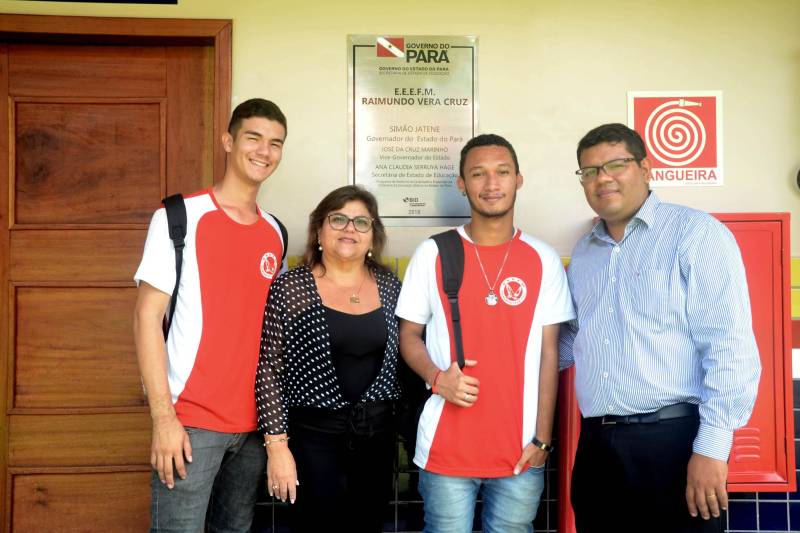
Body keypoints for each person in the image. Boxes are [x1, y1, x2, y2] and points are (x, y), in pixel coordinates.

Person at [559, 123, 761, 533]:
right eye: (590, 171)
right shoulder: (584, 253)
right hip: (597, 448)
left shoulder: (695, 234)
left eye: (616, 164)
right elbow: (570, 340)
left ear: (646, 168)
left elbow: (729, 346)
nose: (603, 178)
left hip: (674, 441)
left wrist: (711, 449)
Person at [396, 134, 575, 533]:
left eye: (502, 172)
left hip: (521, 452)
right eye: (478, 174)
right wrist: (437, 378)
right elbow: (408, 335)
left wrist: (543, 440)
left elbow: (549, 354)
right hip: (446, 448)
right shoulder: (433, 253)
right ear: (462, 184)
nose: (492, 184)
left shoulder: (543, 259)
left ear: (518, 180)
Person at [133, 98, 288, 532]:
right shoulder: (178, 217)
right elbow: (146, 319)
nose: (264, 151)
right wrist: (163, 418)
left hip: (254, 429)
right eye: (253, 138)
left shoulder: (275, 232)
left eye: (275, 143)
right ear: (228, 141)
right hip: (190, 425)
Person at [256, 185, 402, 533]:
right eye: (338, 219)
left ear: (373, 235)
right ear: (319, 230)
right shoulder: (292, 288)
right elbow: (269, 369)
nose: (350, 229)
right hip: (313, 442)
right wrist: (277, 447)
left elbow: (405, 362)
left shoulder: (390, 286)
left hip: (376, 440)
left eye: (361, 222)